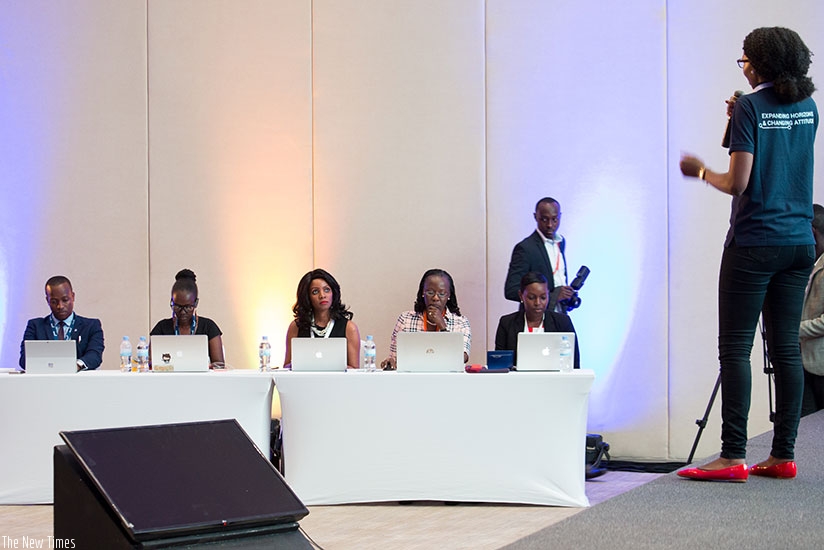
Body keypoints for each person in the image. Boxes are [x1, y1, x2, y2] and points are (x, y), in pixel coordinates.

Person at [678, 27, 818, 482]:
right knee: (786, 351)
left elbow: (737, 183)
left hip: (754, 241)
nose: (743, 65)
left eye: (744, 60)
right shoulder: (808, 108)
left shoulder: (750, 107)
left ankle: (732, 454)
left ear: (759, 64)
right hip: (799, 241)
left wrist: (700, 171)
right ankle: (783, 455)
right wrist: (738, 114)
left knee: (735, 349)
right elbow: (775, 149)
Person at [381, 269, 471, 370]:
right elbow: (395, 357)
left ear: (449, 296)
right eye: (430, 292)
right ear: (422, 293)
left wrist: (442, 326)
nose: (435, 298)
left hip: (447, 380)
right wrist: (390, 362)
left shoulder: (461, 322)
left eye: (442, 293)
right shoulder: (405, 319)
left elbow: (462, 357)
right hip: (412, 378)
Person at [19, 275, 105, 371]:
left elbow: (95, 355)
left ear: (73, 297)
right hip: (45, 381)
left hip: (79, 382)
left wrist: (75, 365)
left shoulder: (91, 326)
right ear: (47, 300)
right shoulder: (35, 326)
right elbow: (24, 360)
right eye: (54, 301)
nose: (60, 306)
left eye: (65, 300)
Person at [495, 272, 580, 368]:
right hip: (518, 381)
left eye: (543, 297)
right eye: (531, 297)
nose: (538, 303)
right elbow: (499, 365)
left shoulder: (562, 322)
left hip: (554, 381)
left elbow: (574, 364)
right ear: (521, 296)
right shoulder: (507, 323)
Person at [504, 197, 575, 311]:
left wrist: (566, 297)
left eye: (554, 219)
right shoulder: (525, 248)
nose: (550, 225)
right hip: (536, 321)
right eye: (544, 219)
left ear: (560, 216)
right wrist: (552, 297)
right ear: (535, 217)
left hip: (559, 316)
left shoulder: (561, 242)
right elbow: (511, 291)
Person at [283, 268, 361, 369]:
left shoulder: (349, 328)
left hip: (337, 383)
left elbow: (355, 370)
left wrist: (332, 367)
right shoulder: (296, 326)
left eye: (327, 290)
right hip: (305, 383)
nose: (322, 295)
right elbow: (286, 367)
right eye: (315, 292)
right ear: (307, 297)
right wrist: (298, 365)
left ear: (333, 293)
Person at [150, 269, 225, 368]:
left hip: (201, 382)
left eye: (188, 307)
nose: (182, 312)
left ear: (196, 303)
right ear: (172, 302)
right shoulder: (161, 328)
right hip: (169, 381)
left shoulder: (209, 327)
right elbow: (150, 363)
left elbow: (219, 365)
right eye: (177, 307)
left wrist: (203, 366)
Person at [800, 204, 824, 415]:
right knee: (805, 431)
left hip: (820, 365)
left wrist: (793, 330)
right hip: (804, 361)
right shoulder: (812, 264)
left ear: (813, 231)